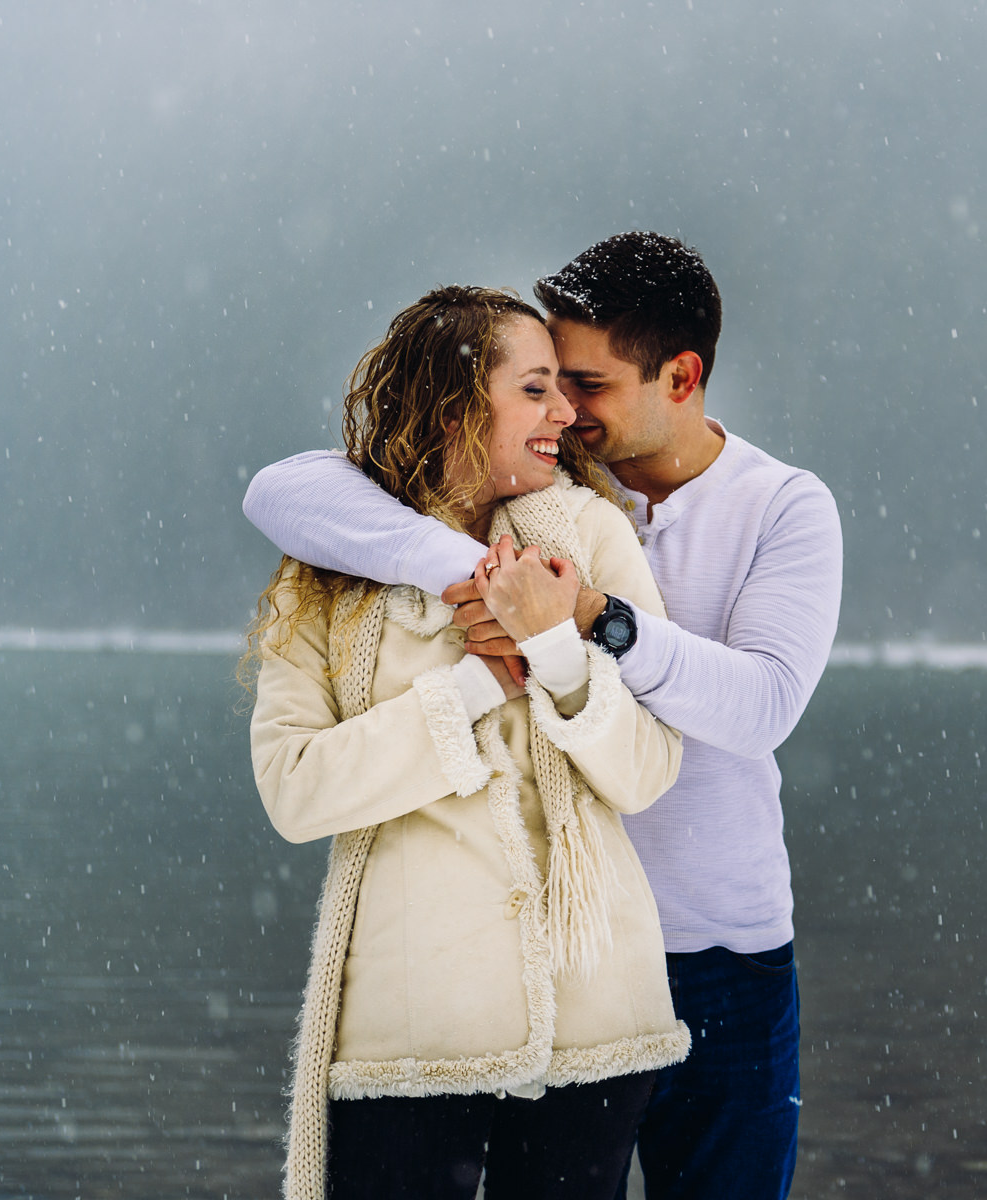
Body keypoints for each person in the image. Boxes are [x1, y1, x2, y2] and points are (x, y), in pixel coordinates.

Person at [242, 233, 843, 1200]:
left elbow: (761, 705)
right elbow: (282, 488)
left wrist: (584, 622)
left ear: (679, 378)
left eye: (588, 385)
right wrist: (465, 580)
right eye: (544, 384)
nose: (566, 411)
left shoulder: (769, 510)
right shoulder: (514, 511)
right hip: (536, 965)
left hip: (714, 954)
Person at [246, 285, 689, 1200]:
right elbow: (295, 792)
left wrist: (553, 650)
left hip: (596, 1014)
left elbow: (649, 769)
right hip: (409, 1030)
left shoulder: (593, 538)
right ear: (455, 404)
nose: (565, 413)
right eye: (534, 390)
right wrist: (475, 686)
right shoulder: (328, 571)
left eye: (564, 389)